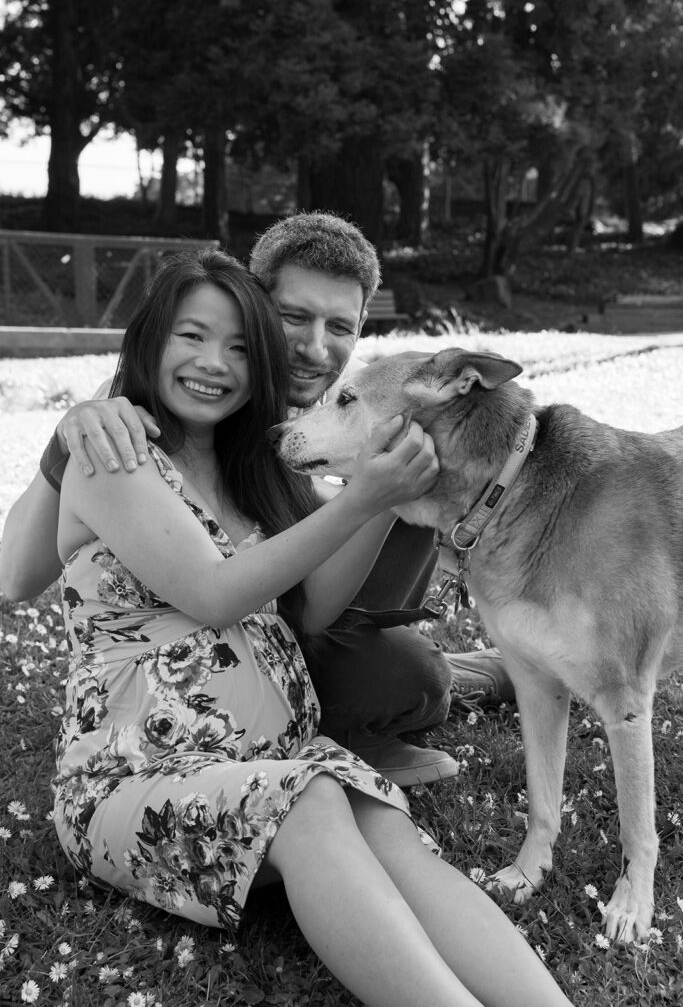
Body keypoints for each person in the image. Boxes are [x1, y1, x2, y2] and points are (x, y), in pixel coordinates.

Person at [48, 248, 574, 1007]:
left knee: (382, 826)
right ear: (148, 340)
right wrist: (359, 501)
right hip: (140, 776)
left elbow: (316, 608)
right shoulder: (115, 452)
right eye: (191, 337)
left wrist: (384, 488)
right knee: (313, 799)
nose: (214, 363)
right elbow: (214, 593)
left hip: (278, 756)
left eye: (238, 347)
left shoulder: (248, 466)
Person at [0, 212, 513, 787]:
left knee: (411, 487)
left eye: (340, 327)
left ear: (362, 326)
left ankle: (419, 687)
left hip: (292, 622)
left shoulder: (362, 397)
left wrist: (373, 490)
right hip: (186, 661)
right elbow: (16, 577)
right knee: (406, 672)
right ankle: (457, 678)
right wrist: (71, 432)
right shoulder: (161, 403)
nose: (315, 348)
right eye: (292, 317)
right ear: (251, 302)